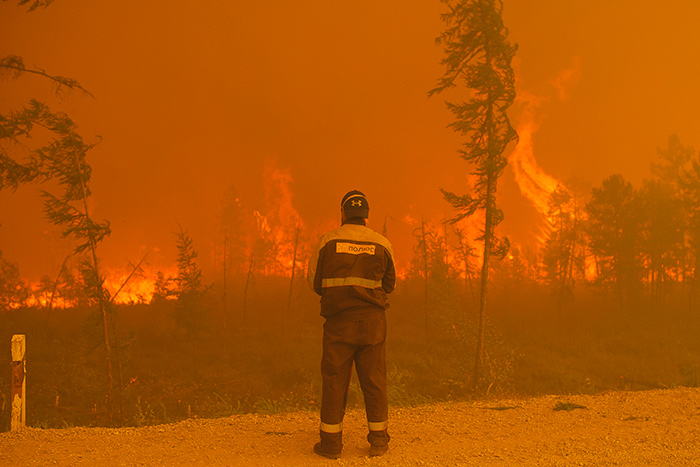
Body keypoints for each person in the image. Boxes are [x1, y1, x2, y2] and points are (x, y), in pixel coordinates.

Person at [307, 190, 396, 459]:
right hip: (373, 324)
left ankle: (331, 446)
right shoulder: (382, 243)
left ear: (343, 213)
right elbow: (389, 284)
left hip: (339, 324)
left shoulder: (328, 241)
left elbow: (315, 282)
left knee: (334, 381)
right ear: (366, 216)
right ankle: (379, 441)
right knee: (374, 381)